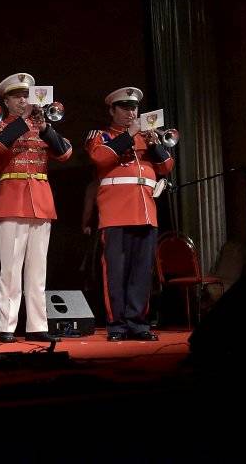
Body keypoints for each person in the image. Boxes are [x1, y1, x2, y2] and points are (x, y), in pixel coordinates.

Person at [85, 87, 174, 341]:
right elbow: (100, 158)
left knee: (142, 272)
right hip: (115, 213)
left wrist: (155, 144)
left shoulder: (147, 137)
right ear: (112, 111)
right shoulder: (100, 135)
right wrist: (130, 133)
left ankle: (138, 323)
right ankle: (117, 325)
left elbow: (166, 167)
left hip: (145, 212)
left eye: (133, 108)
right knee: (115, 271)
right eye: (124, 108)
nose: (130, 112)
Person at [0, 73, 72, 343]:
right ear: (7, 100)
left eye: (26, 95)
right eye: (17, 96)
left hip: (41, 202)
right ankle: (8, 326)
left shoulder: (42, 127)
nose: (23, 100)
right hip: (12, 200)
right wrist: (25, 121)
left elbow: (65, 153)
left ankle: (38, 324)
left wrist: (45, 126)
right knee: (10, 269)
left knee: (38, 270)